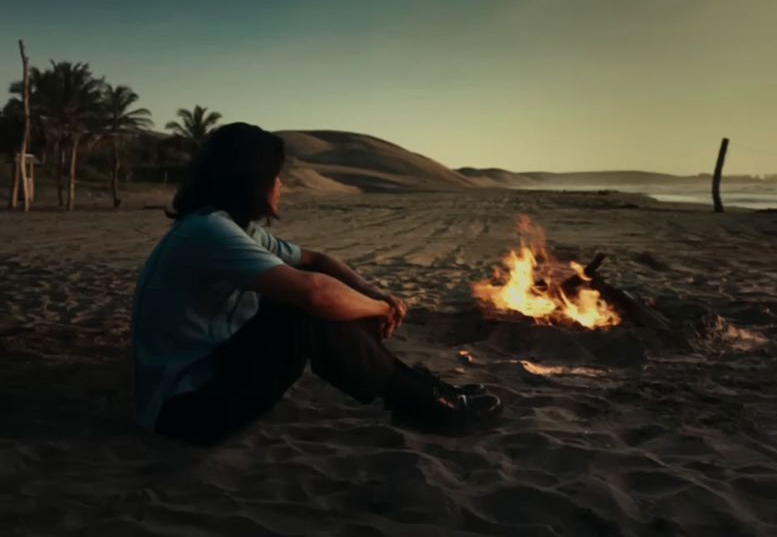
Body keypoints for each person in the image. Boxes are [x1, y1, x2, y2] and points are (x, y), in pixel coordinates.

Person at [132, 122, 502, 445]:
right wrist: (380, 309)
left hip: (203, 380)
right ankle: (425, 405)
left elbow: (317, 260)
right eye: (277, 176)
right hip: (184, 411)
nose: (282, 186)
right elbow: (315, 293)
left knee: (318, 299)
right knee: (306, 311)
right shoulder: (209, 231)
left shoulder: (228, 227)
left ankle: (420, 391)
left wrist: (374, 293)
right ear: (253, 179)